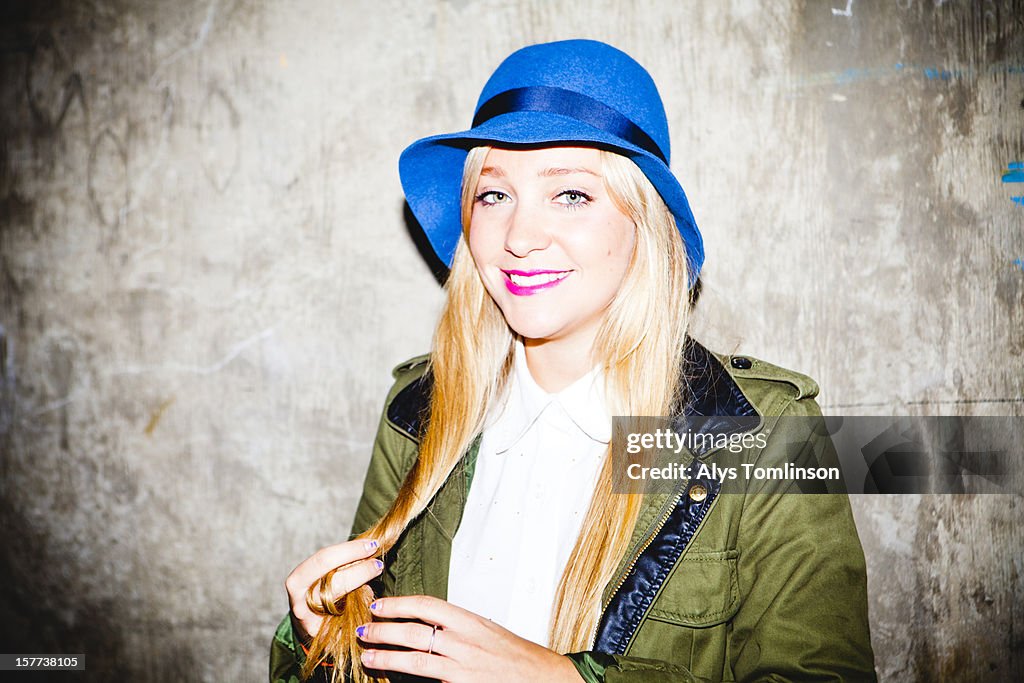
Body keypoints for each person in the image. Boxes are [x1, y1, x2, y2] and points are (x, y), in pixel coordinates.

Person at [270, 39, 876, 683]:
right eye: (494, 196)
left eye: (571, 196)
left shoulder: (758, 433)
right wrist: (326, 645)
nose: (521, 239)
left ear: (644, 221)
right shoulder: (420, 409)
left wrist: (563, 678)